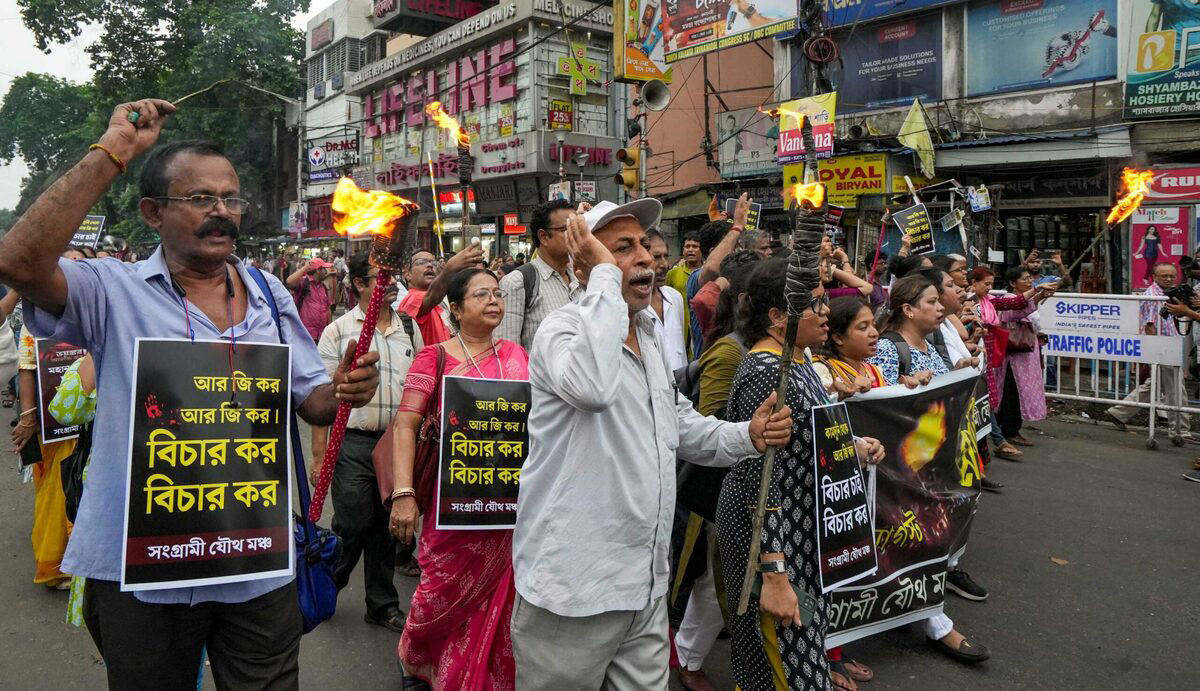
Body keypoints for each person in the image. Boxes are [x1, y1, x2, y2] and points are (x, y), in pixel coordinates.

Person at [0, 100, 381, 688]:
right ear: (153, 212)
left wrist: (348, 387)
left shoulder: (269, 292)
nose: (222, 212)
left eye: (230, 198)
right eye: (201, 199)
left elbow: (313, 402)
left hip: (257, 560)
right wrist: (116, 150)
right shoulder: (109, 290)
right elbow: (19, 261)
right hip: (142, 570)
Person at [510, 200, 794, 689]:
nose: (645, 257)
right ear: (586, 263)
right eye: (623, 248)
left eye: (644, 243)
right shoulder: (563, 331)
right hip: (576, 587)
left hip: (645, 583)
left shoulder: (650, 332)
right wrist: (602, 274)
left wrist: (744, 435)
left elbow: (678, 423)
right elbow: (594, 389)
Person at [717, 258, 886, 690]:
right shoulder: (765, 373)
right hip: (772, 542)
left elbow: (804, 442)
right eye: (814, 304)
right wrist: (774, 575)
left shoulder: (797, 360)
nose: (826, 312)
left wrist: (853, 447)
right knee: (782, 661)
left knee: (797, 651)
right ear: (777, 317)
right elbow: (759, 479)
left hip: (798, 535)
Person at [389, 266, 529, 690]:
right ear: (454, 308)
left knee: (500, 604)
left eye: (498, 294)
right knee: (438, 595)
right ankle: (418, 661)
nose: (494, 302)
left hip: (506, 507)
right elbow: (405, 425)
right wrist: (403, 493)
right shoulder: (434, 357)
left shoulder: (518, 356)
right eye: (481, 295)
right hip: (450, 507)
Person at [865, 276, 993, 664]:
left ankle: (908, 608)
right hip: (900, 470)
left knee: (923, 539)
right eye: (932, 301)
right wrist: (906, 387)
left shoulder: (930, 346)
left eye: (940, 301)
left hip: (931, 467)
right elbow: (877, 401)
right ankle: (935, 624)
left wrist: (957, 370)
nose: (941, 309)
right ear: (908, 309)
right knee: (908, 539)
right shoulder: (889, 348)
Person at [317, 253, 417, 634]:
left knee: (386, 526)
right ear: (359, 284)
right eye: (382, 277)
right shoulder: (338, 331)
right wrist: (318, 455)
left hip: (397, 442)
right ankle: (327, 583)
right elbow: (323, 396)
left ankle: (382, 603)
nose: (391, 283)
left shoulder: (408, 326)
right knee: (356, 519)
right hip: (352, 442)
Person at [13, 327, 75, 589]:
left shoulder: (94, 305)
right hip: (52, 425)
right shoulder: (35, 320)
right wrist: (27, 418)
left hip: (94, 419)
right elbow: (27, 367)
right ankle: (58, 566)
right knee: (55, 492)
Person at [1108, 262, 1193, 441]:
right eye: (1165, 276)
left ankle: (1119, 413)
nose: (1169, 279)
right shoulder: (1153, 296)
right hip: (1163, 348)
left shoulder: (1167, 294)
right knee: (1176, 390)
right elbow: (1150, 326)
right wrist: (1156, 351)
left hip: (1168, 345)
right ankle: (1180, 431)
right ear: (1154, 277)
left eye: (1172, 275)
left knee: (1153, 386)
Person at [497, 199, 582, 351]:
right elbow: (507, 352)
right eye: (566, 229)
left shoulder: (581, 279)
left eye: (578, 228)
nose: (576, 235)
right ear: (543, 237)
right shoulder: (517, 282)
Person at [687, 194, 753, 358]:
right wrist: (737, 226)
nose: (739, 250)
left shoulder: (735, 278)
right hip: (711, 368)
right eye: (734, 245)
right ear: (713, 252)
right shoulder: (697, 278)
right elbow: (712, 267)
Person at [995, 266, 1054, 448]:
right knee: (1012, 392)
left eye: (1031, 279)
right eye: (1025, 279)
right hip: (1015, 355)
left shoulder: (1018, 300)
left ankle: (1002, 428)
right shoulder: (1008, 300)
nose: (1029, 282)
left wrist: (1039, 296)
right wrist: (1038, 294)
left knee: (1013, 391)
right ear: (1013, 283)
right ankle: (1009, 430)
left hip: (1023, 352)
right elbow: (1022, 312)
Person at [396, 244, 484, 348]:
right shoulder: (412, 299)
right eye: (421, 262)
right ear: (407, 274)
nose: (429, 265)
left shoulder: (441, 301)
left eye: (433, 263)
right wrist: (450, 267)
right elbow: (431, 297)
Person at [646, 228, 688, 372]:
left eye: (666, 256)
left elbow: (680, 350)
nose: (665, 265)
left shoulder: (675, 298)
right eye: (656, 257)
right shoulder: (630, 306)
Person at [287, 257, 335, 341]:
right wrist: (305, 268)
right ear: (318, 270)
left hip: (321, 335)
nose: (326, 272)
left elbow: (328, 309)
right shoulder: (303, 283)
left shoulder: (323, 286)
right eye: (324, 269)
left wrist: (330, 330)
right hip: (306, 335)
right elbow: (289, 282)